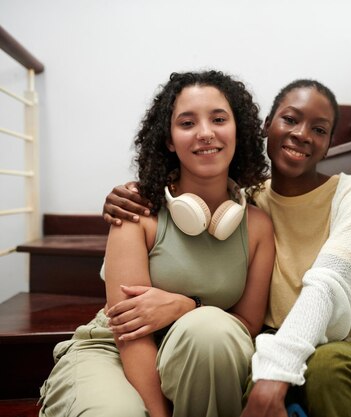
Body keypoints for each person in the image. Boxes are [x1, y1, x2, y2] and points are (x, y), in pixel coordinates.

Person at [102, 79, 351, 416]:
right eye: (290, 119)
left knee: (329, 369)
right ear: (264, 127)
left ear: (330, 143)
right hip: (266, 342)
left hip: (338, 343)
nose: (302, 134)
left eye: (319, 129)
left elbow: (327, 284)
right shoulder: (247, 201)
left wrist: (274, 373)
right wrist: (122, 196)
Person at [39, 70, 275, 417]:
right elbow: (129, 332)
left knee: (210, 331)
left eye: (219, 119)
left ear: (237, 129)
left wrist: (187, 306)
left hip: (205, 355)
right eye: (187, 123)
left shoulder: (257, 227)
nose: (205, 133)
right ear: (169, 139)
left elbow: (248, 324)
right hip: (116, 350)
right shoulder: (137, 210)